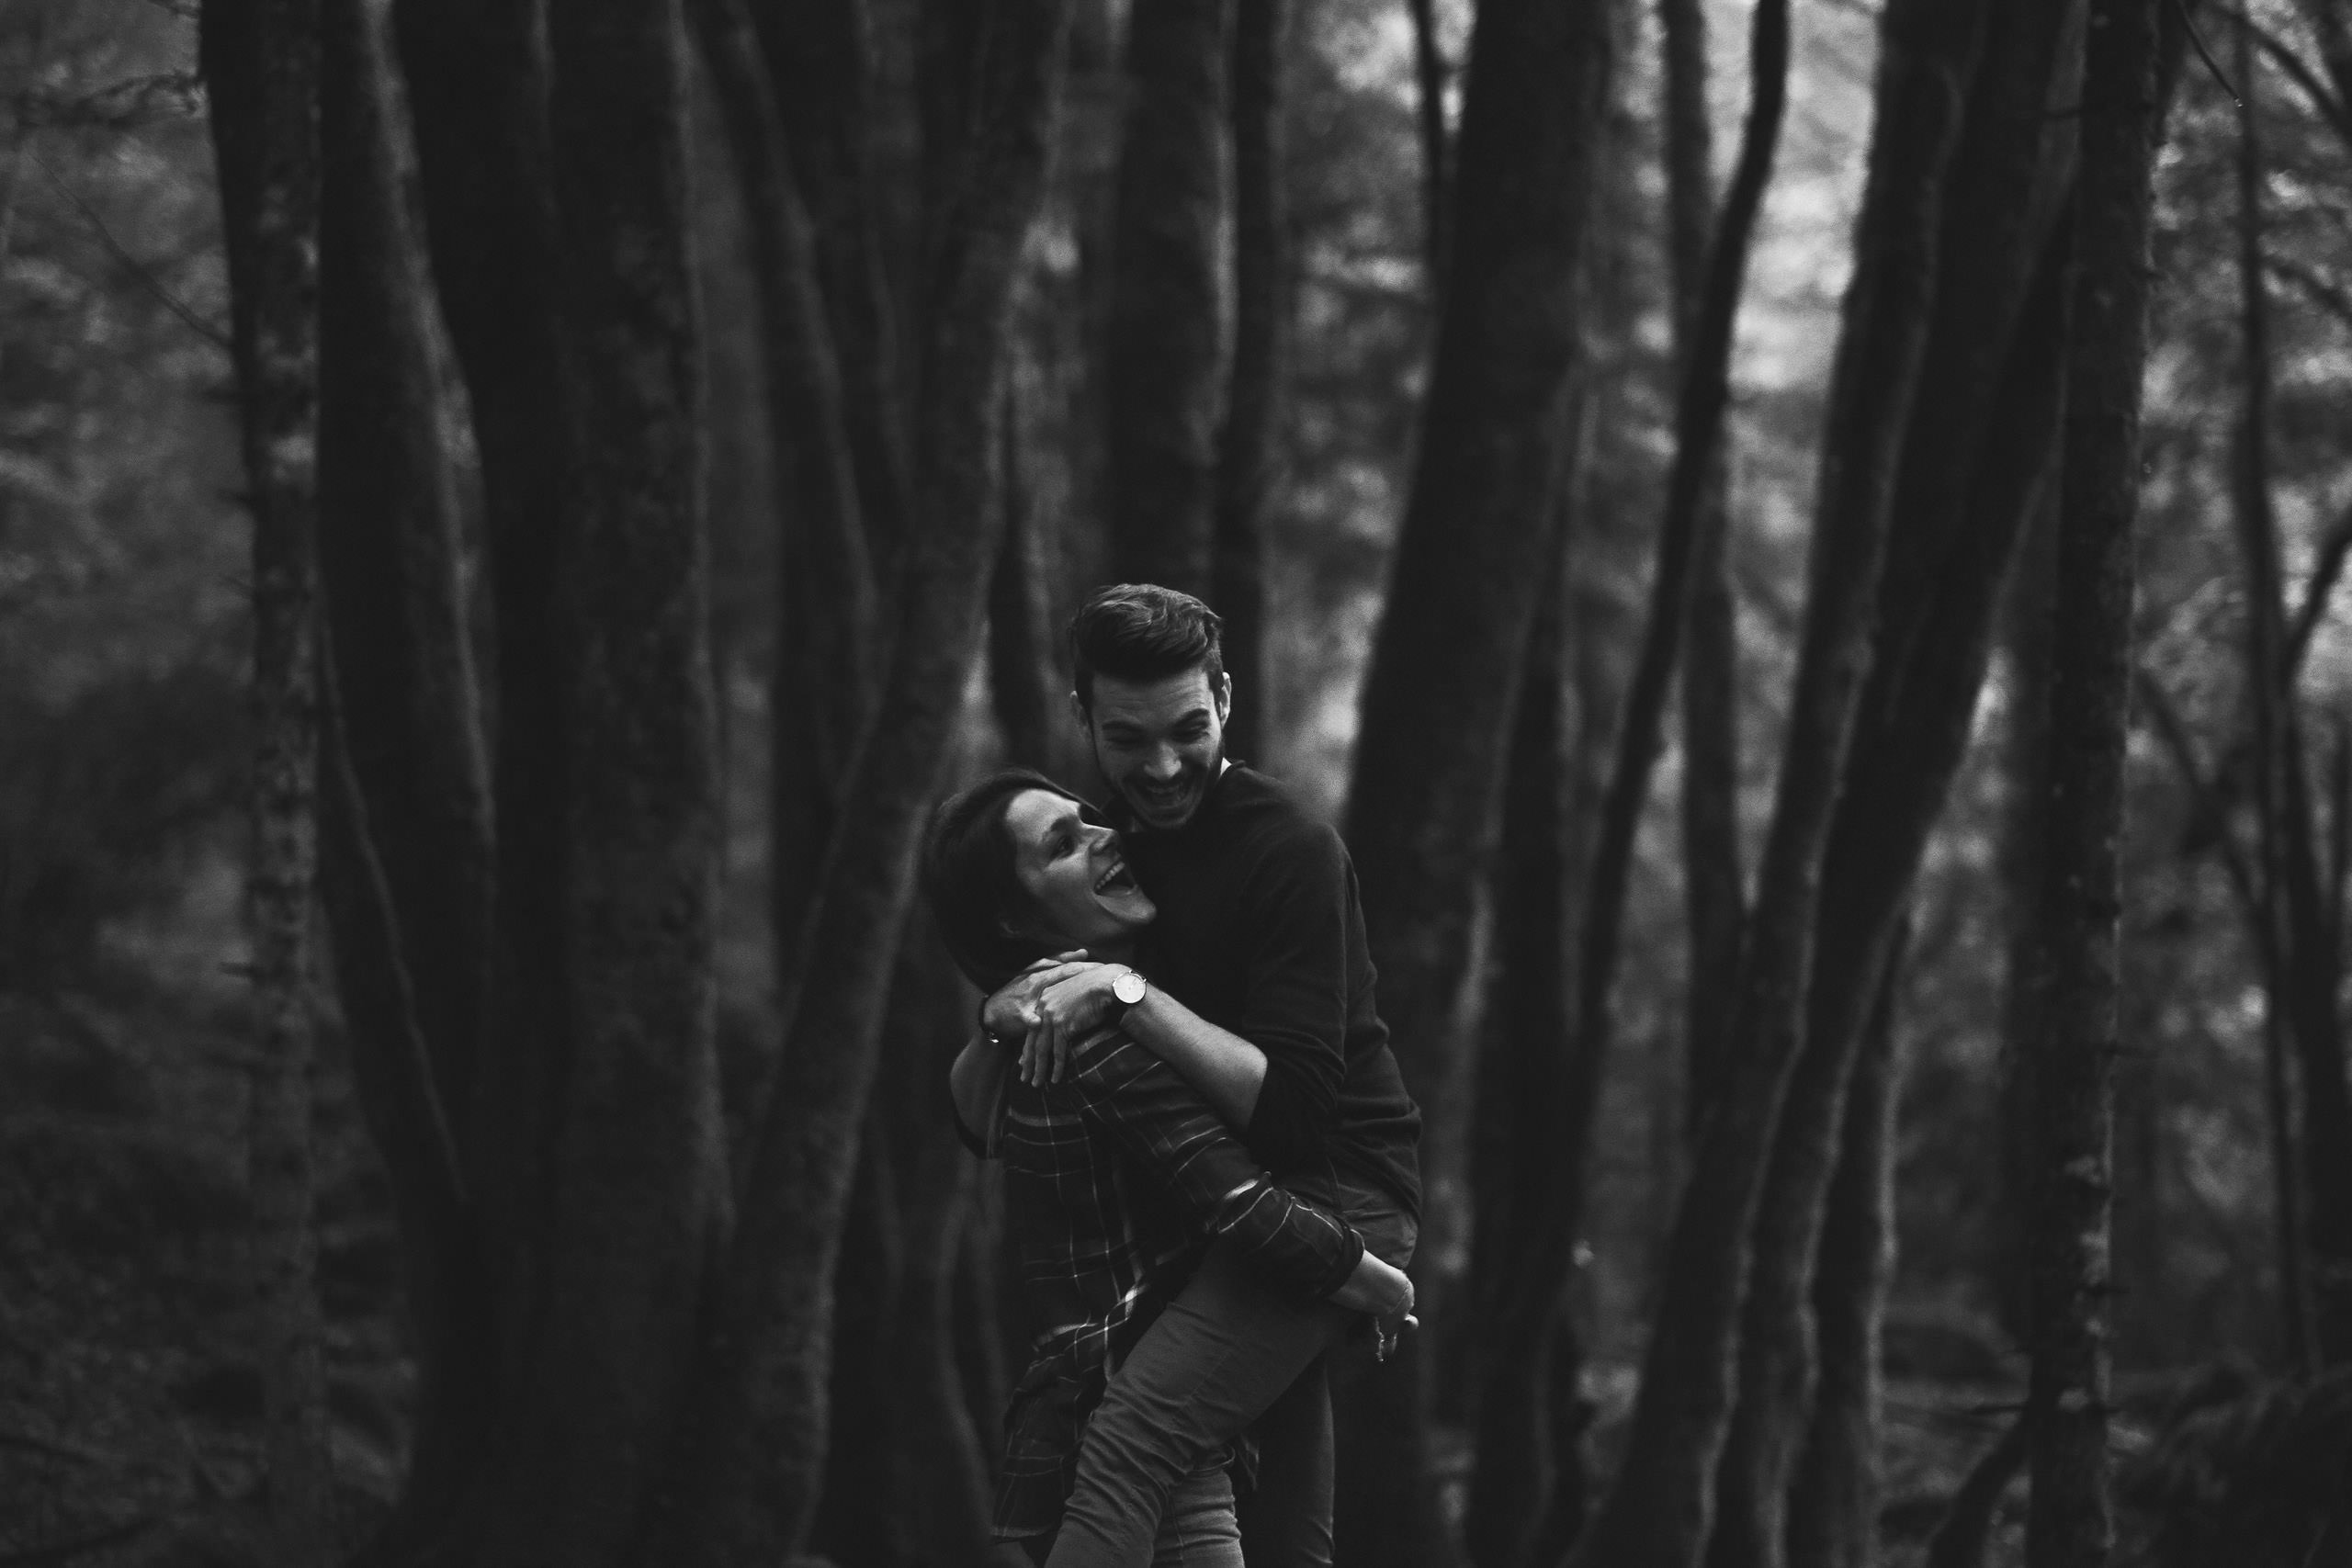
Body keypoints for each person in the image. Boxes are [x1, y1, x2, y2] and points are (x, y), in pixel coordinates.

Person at [978, 585, 1423, 1568]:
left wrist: (1128, 992)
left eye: (1188, 727)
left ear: (1224, 697)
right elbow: (997, 1098)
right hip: (1215, 1216)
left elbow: (1299, 1121)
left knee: (1135, 1437)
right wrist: (996, 1008)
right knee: (1277, 1529)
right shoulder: (1112, 849)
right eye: (1128, 738)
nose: (1163, 765)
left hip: (1334, 1193)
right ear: (1083, 714)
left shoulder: (1289, 852)